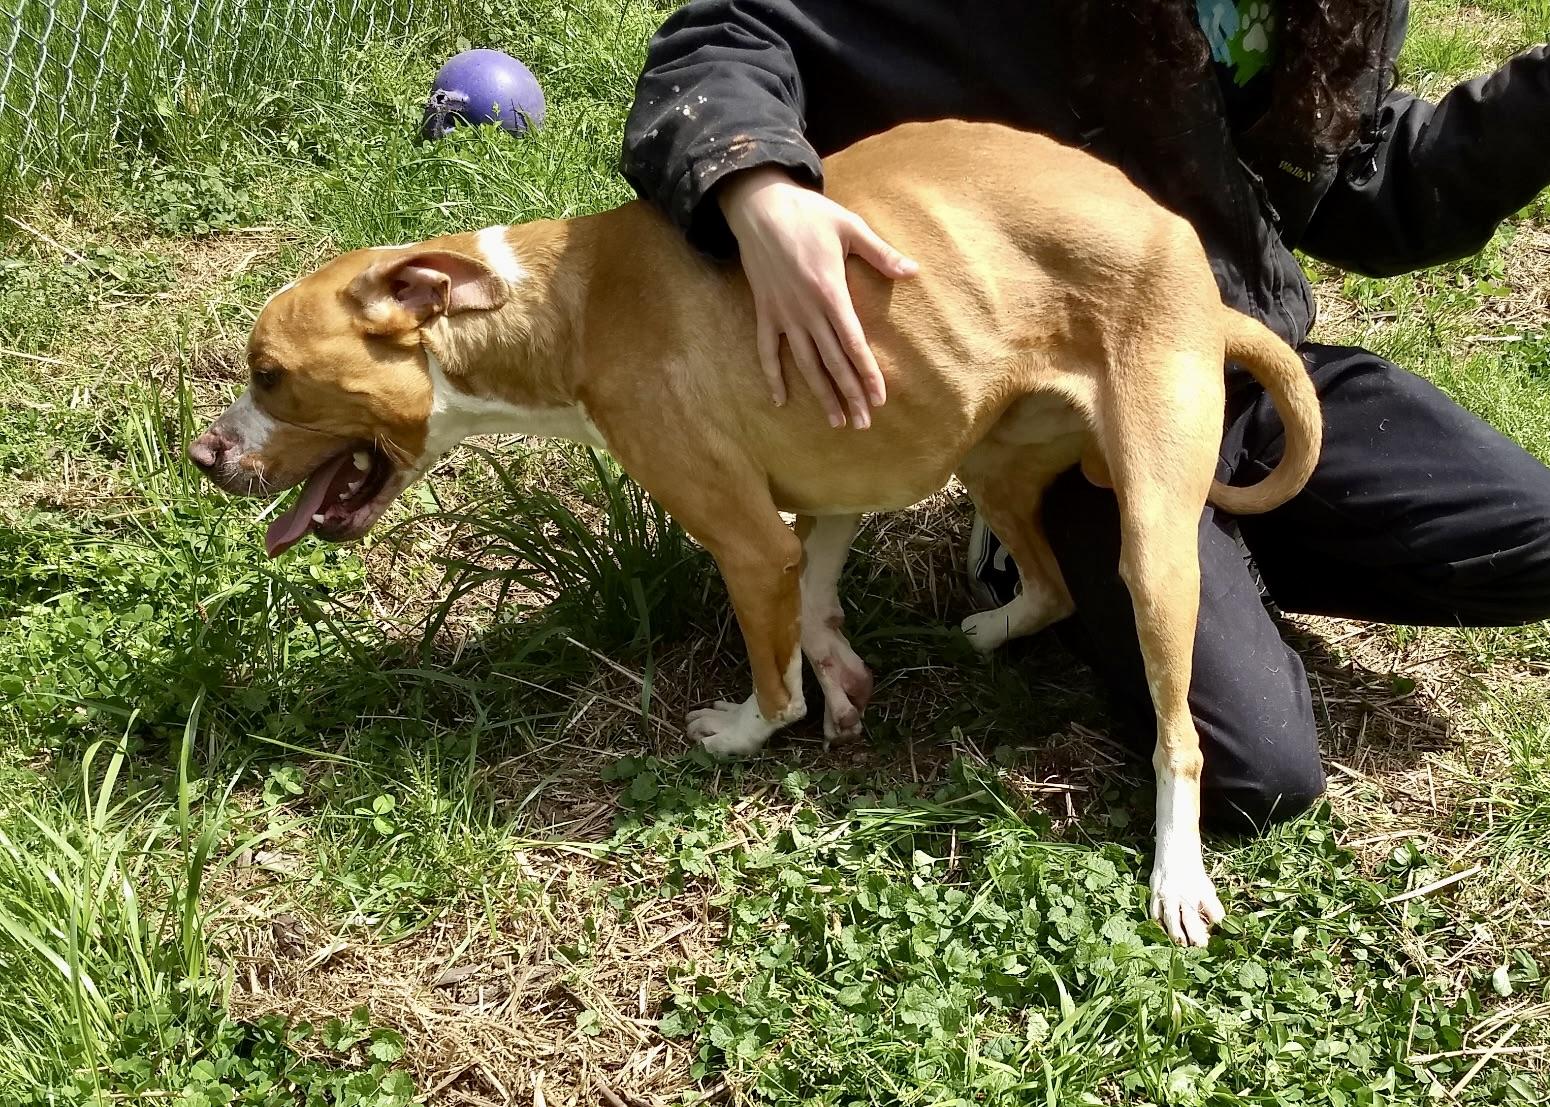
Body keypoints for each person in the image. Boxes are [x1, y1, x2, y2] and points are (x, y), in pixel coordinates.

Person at [618, 1, 1550, 832]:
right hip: (1052, 406)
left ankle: (1190, 554)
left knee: (1535, 542)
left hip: (1224, 344)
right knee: (1259, 773)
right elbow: (727, 32)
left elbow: (1362, 180)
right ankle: (1028, 530)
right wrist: (757, 188)